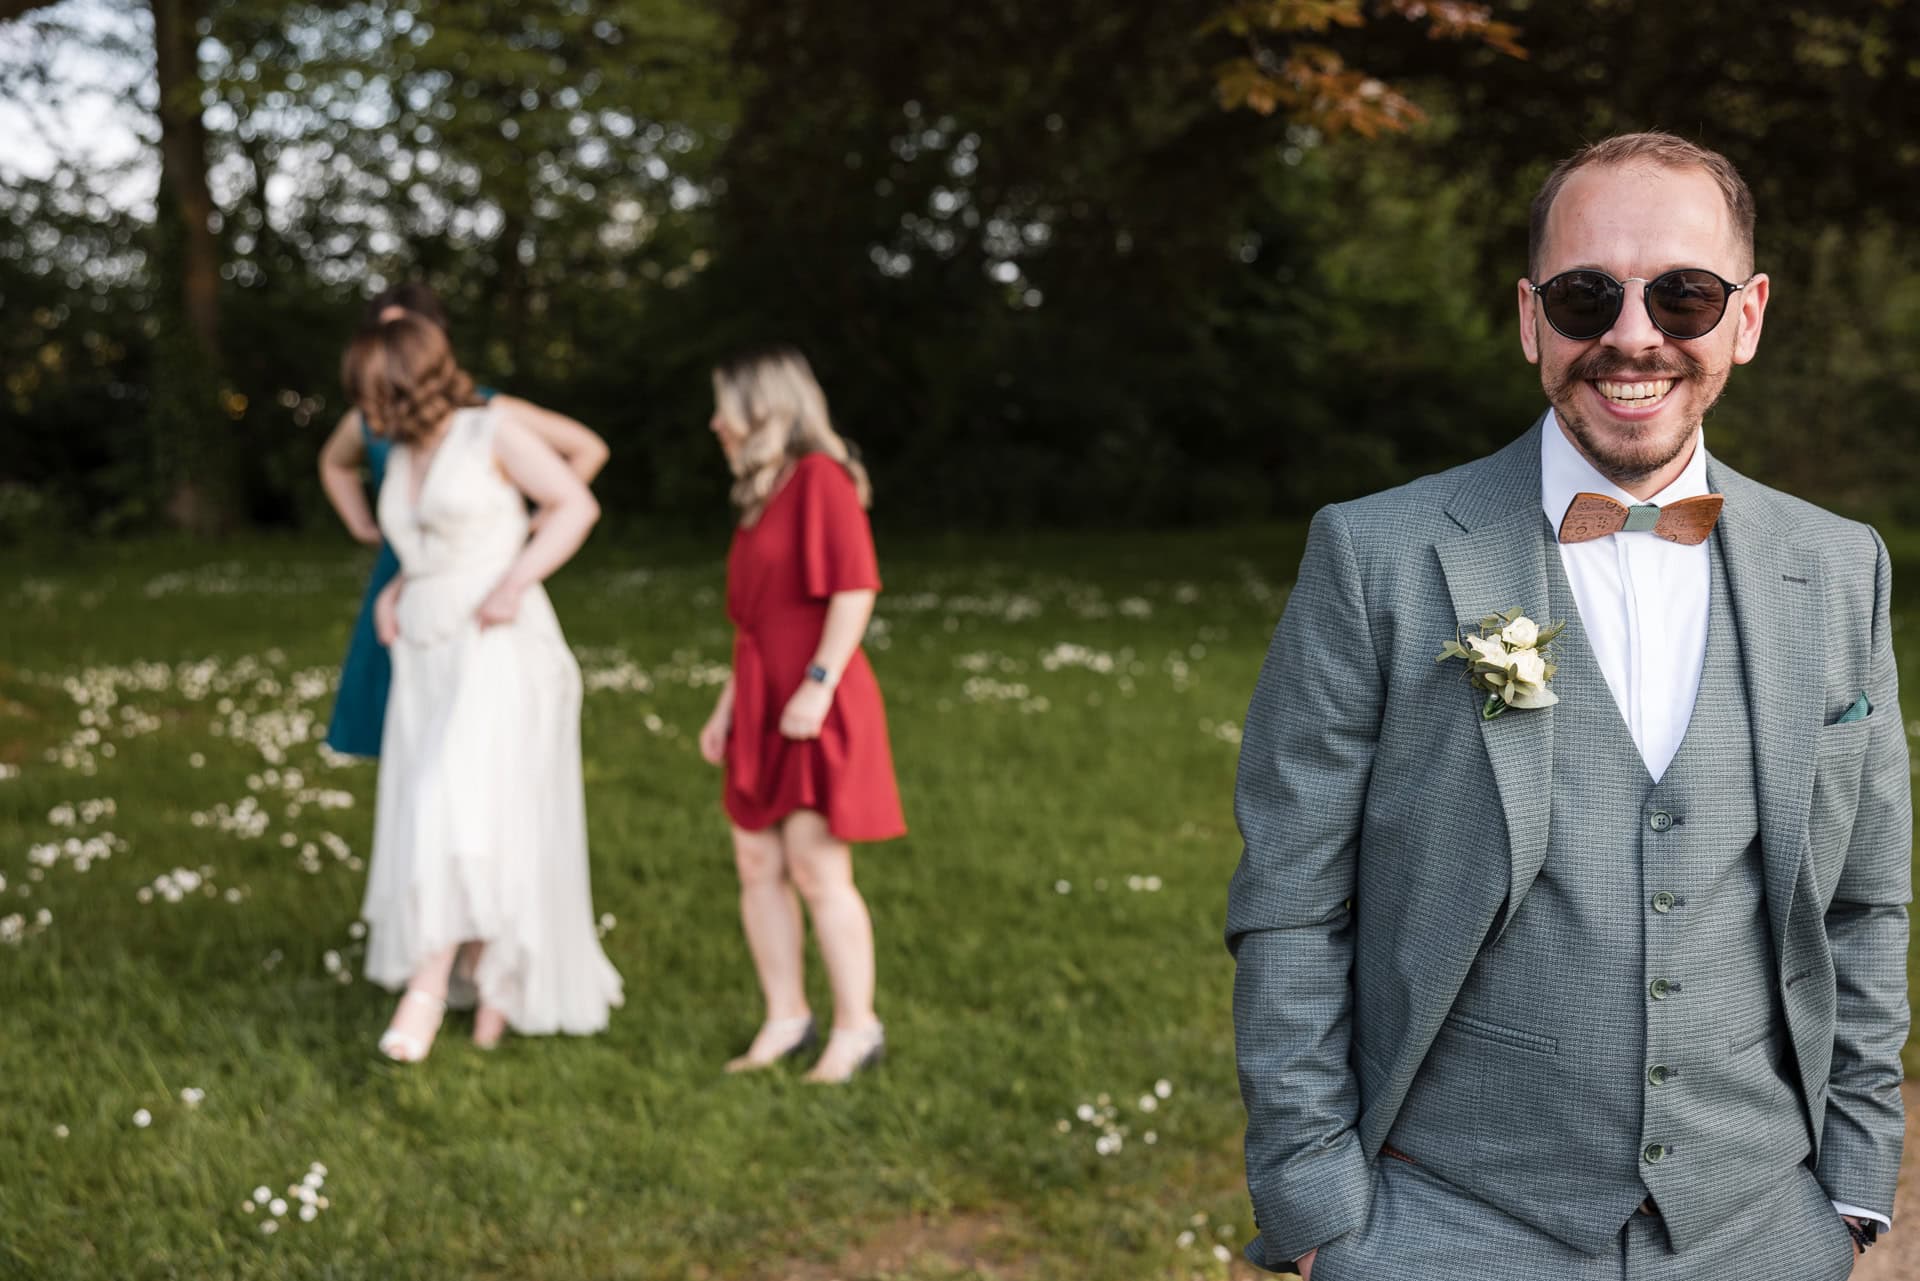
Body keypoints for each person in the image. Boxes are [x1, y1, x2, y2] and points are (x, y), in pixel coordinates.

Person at [1227, 132, 1908, 1280]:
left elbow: (1864, 901)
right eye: (1589, 294)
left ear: (1747, 316)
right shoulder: (1376, 555)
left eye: (1683, 294)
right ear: (1532, 316)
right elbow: (1293, 901)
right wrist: (1323, 1216)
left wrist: (1849, 1182)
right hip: (1442, 1223)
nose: (1634, 335)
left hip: (1760, 1228)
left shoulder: (1840, 566)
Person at [342, 313, 622, 1060]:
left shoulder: (488, 431)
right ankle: (492, 977)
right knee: (458, 810)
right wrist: (396, 587)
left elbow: (575, 504)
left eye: (374, 393)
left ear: (408, 384)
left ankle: (426, 989)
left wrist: (515, 579)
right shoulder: (404, 450)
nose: (365, 411)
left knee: (454, 804)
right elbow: (424, 538)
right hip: (426, 649)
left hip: (496, 642)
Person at [697, 347, 905, 1084]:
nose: (716, 420)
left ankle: (858, 1027)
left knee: (818, 868)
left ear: (764, 408)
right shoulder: (761, 492)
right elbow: (753, 619)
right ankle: (786, 1016)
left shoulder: (822, 478)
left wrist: (817, 684)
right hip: (760, 697)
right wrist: (728, 706)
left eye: (725, 404)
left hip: (815, 699)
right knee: (757, 863)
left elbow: (854, 589)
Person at [318, 282, 610, 758]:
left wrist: (523, 527)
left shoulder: (486, 415)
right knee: (407, 733)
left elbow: (585, 458)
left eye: (406, 335)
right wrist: (362, 525)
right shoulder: (377, 421)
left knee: (469, 751)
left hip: (479, 591)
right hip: (408, 579)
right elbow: (334, 462)